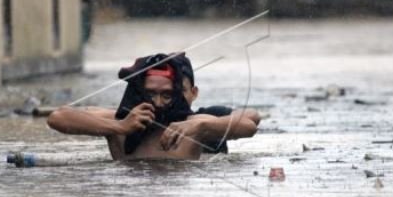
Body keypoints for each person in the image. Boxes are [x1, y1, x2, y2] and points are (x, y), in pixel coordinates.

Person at [47, 53, 260, 160]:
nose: (157, 103)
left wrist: (201, 127)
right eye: (150, 94)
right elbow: (58, 117)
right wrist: (120, 127)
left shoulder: (193, 125)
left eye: (167, 95)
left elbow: (249, 125)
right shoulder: (121, 120)